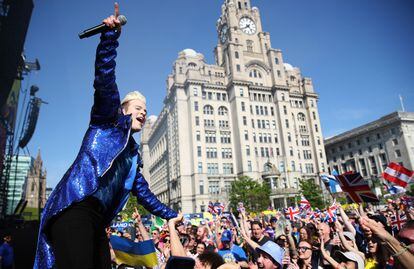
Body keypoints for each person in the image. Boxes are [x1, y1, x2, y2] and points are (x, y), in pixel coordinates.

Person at [34, 3, 177, 268]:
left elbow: (143, 194)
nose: (144, 113)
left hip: (98, 221)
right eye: (138, 108)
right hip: (75, 208)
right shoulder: (106, 122)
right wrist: (109, 39)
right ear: (122, 110)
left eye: (146, 110)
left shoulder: (133, 155)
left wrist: (173, 214)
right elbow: (104, 79)